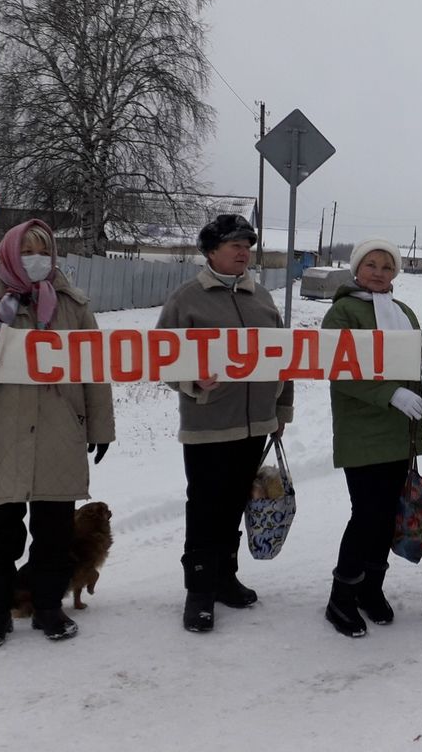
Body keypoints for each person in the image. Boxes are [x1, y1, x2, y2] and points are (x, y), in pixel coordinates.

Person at [0, 219, 115, 650]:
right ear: (10, 254)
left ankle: (48, 606)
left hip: (59, 433)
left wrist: (100, 427)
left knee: (55, 534)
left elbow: (94, 371)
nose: (36, 259)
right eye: (27, 251)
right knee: (0, 533)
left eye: (43, 250)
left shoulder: (72, 306)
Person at [157, 214, 294, 633]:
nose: (243, 252)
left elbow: (283, 359)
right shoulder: (187, 299)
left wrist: (281, 412)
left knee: (235, 504)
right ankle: (198, 591)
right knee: (205, 508)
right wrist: (191, 380)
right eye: (234, 244)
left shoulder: (263, 300)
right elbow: (162, 358)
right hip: (208, 424)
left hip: (255, 425)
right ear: (211, 251)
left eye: (247, 245)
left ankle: (224, 578)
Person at [320, 239, 422, 637]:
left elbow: (412, 370)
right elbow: (339, 369)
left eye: (387, 266)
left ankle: (370, 588)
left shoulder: (403, 312)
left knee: (387, 517)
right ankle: (341, 597)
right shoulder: (343, 312)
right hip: (363, 428)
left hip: (399, 431)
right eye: (371, 264)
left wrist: (416, 421)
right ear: (356, 269)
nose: (379, 272)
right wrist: (389, 394)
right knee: (366, 516)